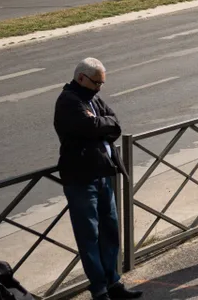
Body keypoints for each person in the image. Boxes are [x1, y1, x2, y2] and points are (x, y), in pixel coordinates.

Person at [54, 59, 143, 299]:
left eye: (102, 83)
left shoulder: (92, 98)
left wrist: (101, 125)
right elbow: (90, 126)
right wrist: (101, 125)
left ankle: (113, 282)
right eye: (96, 83)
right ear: (81, 78)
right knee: (89, 236)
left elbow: (114, 123)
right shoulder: (68, 101)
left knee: (110, 230)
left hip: (103, 174)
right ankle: (99, 289)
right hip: (81, 178)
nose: (99, 88)